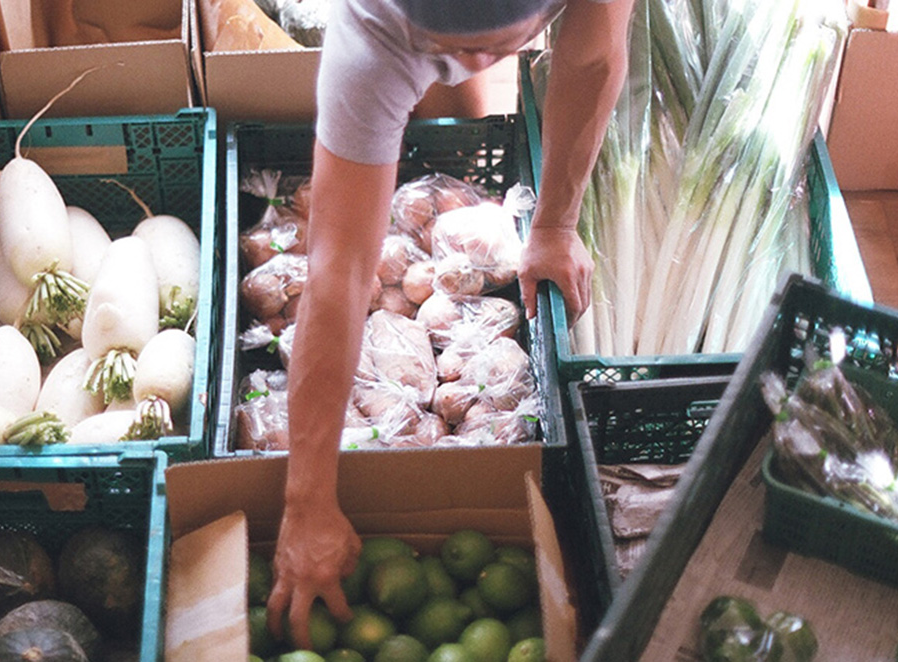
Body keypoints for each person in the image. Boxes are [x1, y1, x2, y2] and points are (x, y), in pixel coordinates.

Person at [266, 0, 635, 647]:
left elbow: (594, 54)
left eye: (494, 47)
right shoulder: (371, 37)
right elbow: (339, 274)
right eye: (448, 49)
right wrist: (307, 502)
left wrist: (555, 225)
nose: (469, 66)